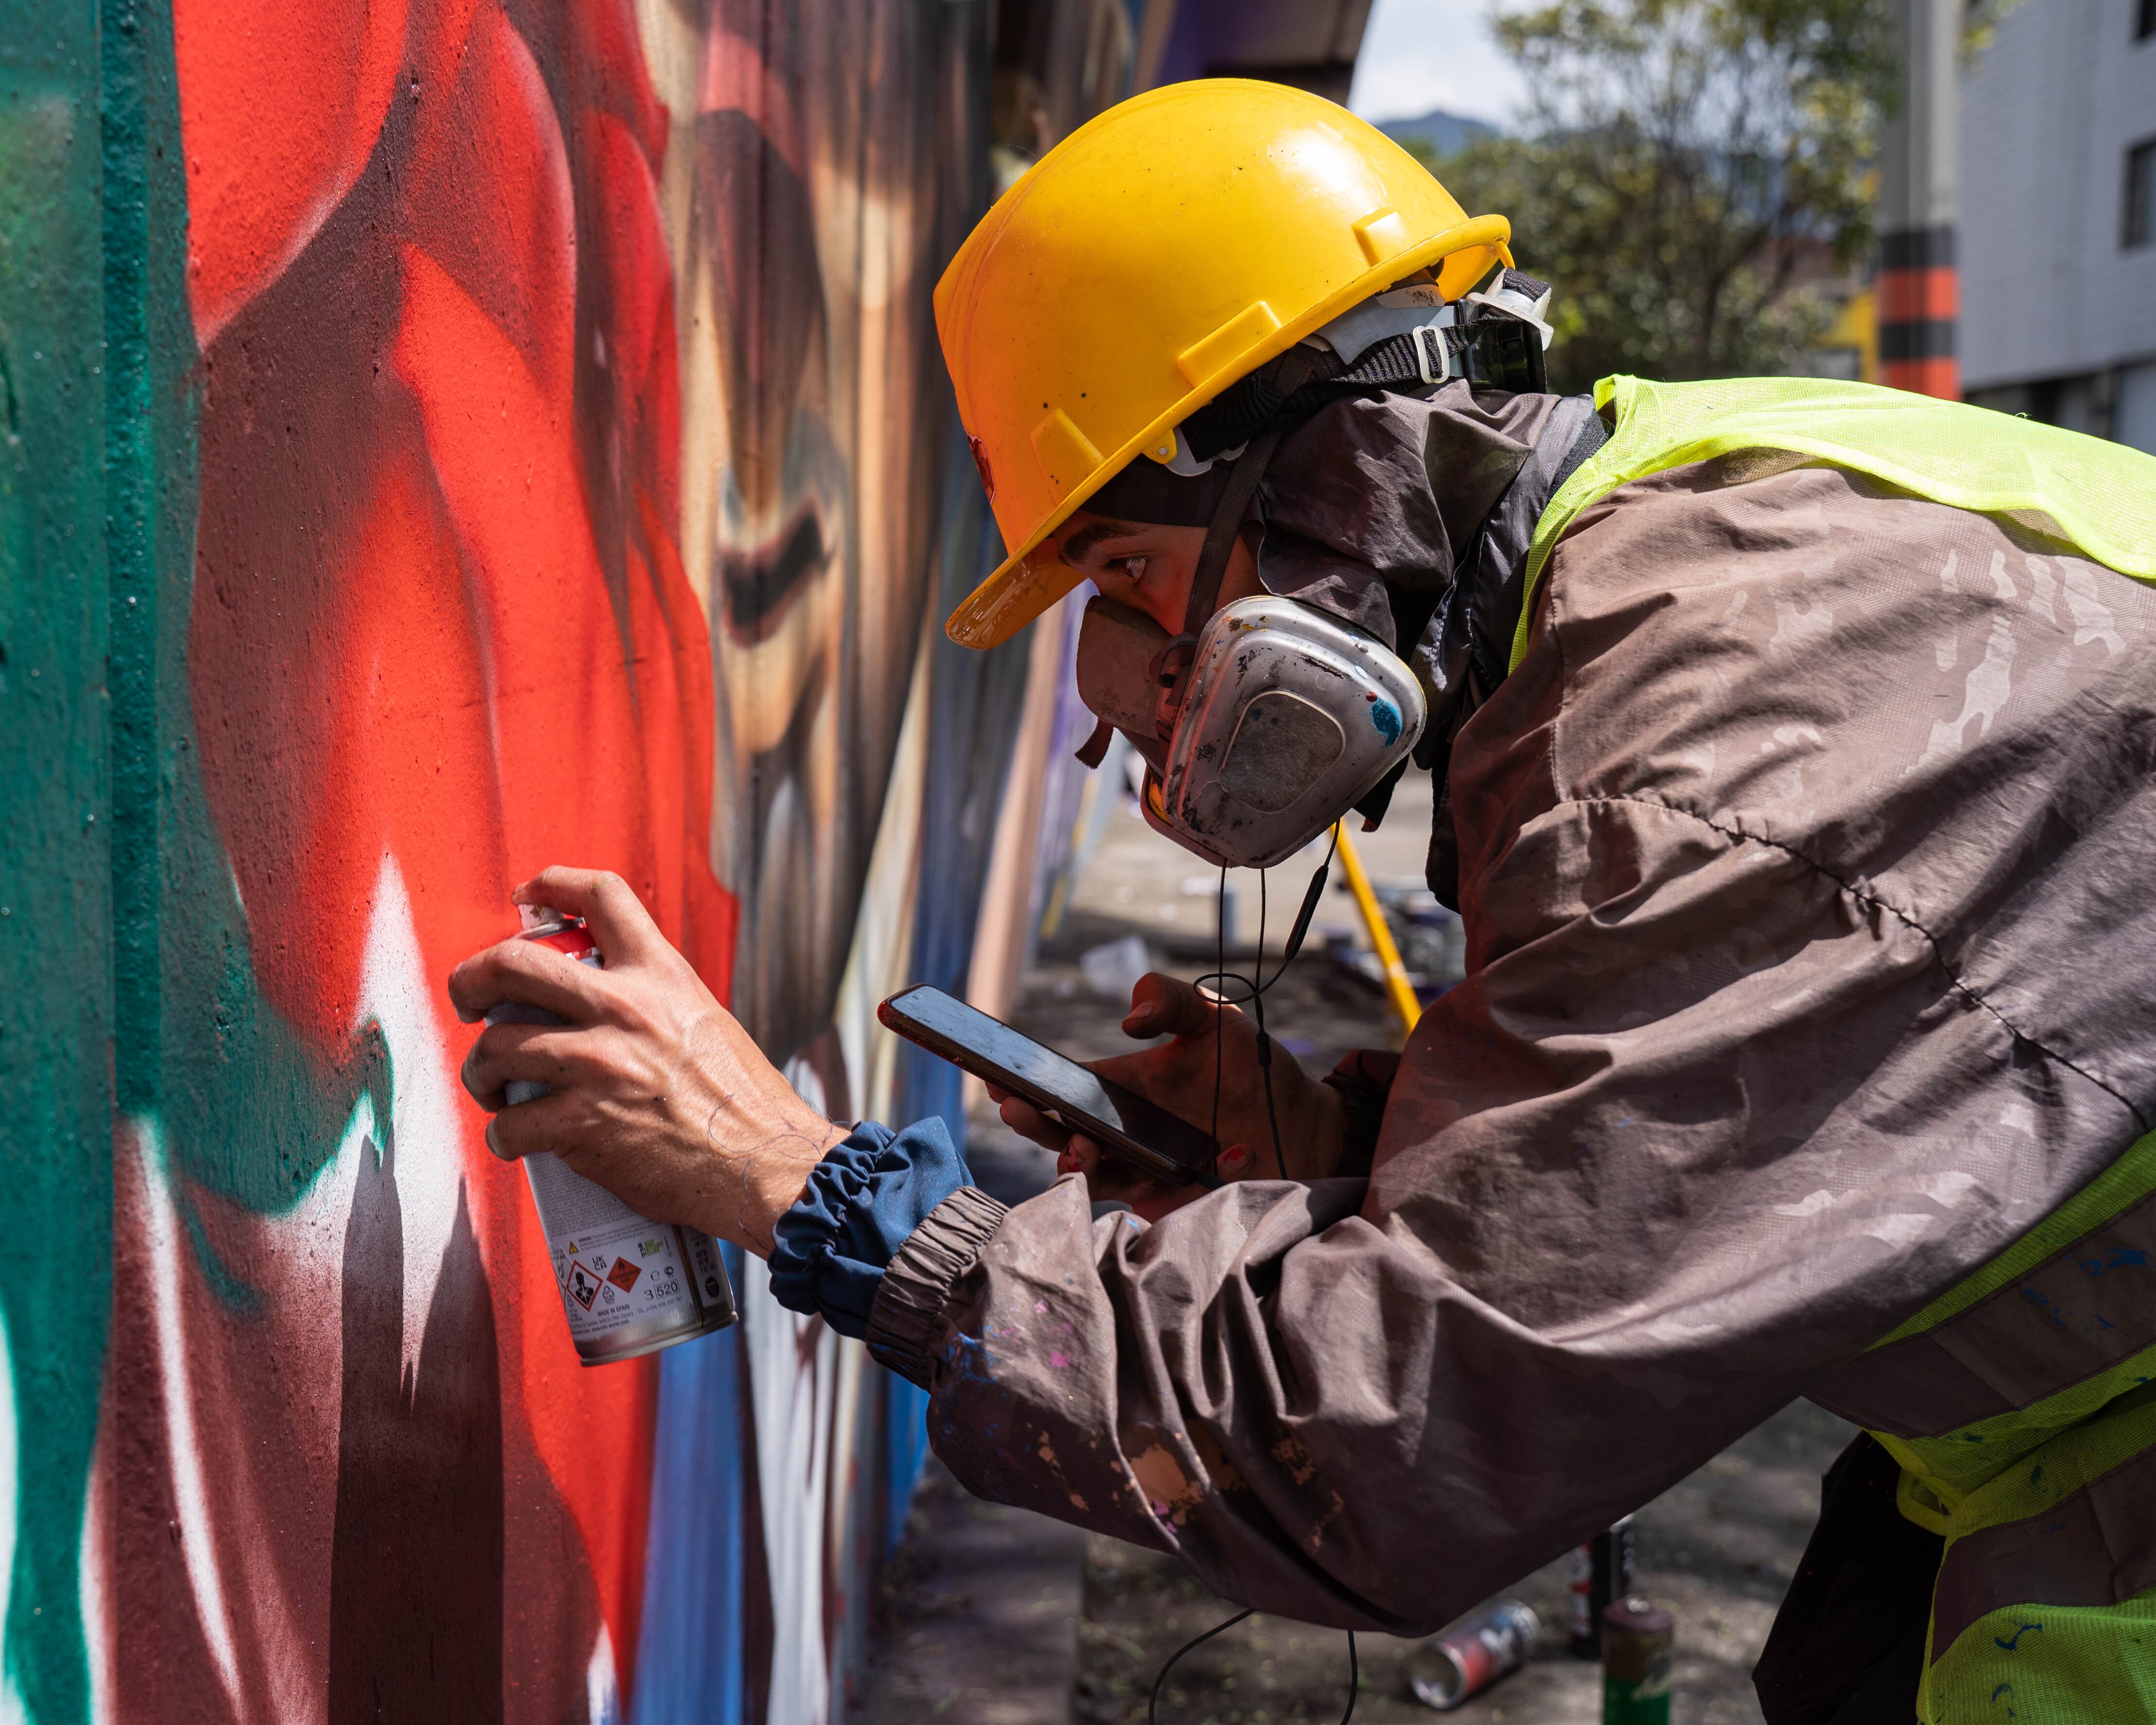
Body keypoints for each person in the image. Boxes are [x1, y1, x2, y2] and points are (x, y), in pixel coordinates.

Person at [449, 80, 2156, 1723]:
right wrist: (1362, 1151)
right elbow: (1800, 1102)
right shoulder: (1701, 517)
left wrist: (798, 1182)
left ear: (1332, 468)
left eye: (1128, 570)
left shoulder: (1697, 762)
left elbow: (1377, 1446)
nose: (1124, 699)